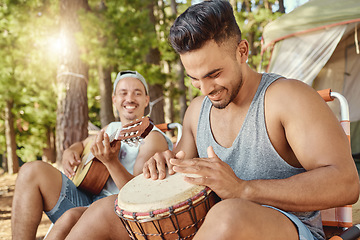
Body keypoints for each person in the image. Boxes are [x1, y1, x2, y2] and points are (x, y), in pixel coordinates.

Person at [56, 1, 359, 240]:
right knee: (106, 210)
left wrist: (244, 189)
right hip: (206, 225)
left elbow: (345, 183)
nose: (206, 88)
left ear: (242, 51)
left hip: (287, 228)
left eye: (214, 74)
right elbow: (179, 174)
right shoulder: (197, 110)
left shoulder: (287, 98)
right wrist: (163, 165)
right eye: (194, 78)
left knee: (228, 215)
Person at [11, 70, 172, 240]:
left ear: (147, 100)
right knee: (31, 170)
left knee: (68, 219)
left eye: (137, 93)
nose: (130, 98)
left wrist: (111, 163)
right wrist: (71, 151)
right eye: (123, 93)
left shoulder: (152, 138)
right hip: (86, 202)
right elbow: (83, 144)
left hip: (116, 217)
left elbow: (140, 198)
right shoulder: (112, 128)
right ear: (114, 100)